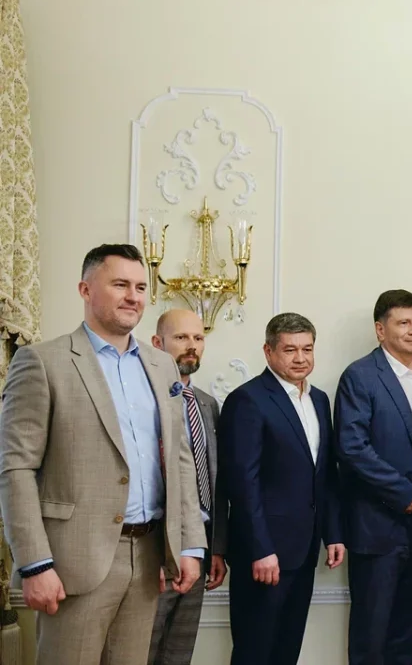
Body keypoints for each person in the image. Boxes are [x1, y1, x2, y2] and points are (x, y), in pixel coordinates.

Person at [0, 244, 205, 664]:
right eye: (120, 285)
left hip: (148, 556)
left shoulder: (161, 365)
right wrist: (35, 563)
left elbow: (179, 458)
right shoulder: (42, 362)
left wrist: (190, 544)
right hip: (73, 561)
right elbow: (15, 468)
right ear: (86, 289)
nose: (133, 296)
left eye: (141, 287)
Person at [219, 312, 345, 665]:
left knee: (286, 650)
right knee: (254, 651)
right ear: (269, 351)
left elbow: (325, 474)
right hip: (264, 553)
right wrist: (261, 549)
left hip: (304, 549)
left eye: (307, 349)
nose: (300, 358)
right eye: (290, 350)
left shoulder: (319, 399)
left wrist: (334, 533)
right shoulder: (248, 399)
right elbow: (243, 483)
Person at [335, 290, 412, 665]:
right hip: (379, 525)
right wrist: (401, 492)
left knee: (410, 630)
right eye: (404, 323)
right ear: (381, 330)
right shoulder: (360, 376)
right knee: (372, 634)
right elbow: (352, 447)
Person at [147, 309, 228, 664]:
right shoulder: (144, 399)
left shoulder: (208, 404)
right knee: (143, 648)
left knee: (179, 652)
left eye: (198, 338)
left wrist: (216, 549)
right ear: (157, 343)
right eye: (181, 337)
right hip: (155, 546)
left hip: (200, 546)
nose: (191, 346)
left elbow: (217, 481)